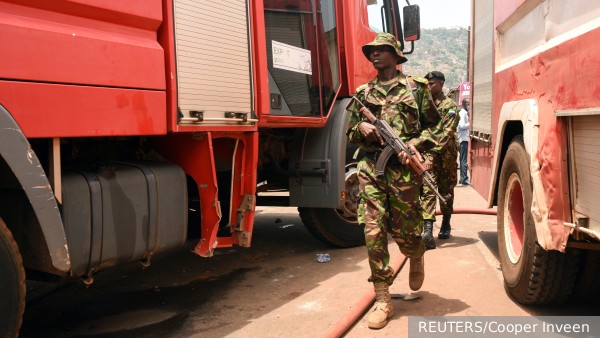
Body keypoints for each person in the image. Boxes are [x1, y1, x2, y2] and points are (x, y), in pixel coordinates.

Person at [346, 33, 441, 329]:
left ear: (396, 56)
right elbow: (350, 133)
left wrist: (416, 147)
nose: (375, 55)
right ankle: (383, 299)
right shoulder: (363, 92)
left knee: (407, 232)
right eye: (372, 51)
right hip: (371, 168)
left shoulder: (416, 89)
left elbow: (436, 129)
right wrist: (361, 127)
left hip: (404, 173)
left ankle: (415, 254)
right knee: (373, 230)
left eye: (382, 50)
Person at [420, 71, 459, 246]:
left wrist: (433, 153)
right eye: (427, 83)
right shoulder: (425, 106)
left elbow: (447, 133)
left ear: (441, 84)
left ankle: (446, 222)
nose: (429, 86)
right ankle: (427, 230)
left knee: (446, 191)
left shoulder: (450, 106)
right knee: (428, 189)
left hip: (446, 157)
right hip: (428, 156)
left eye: (432, 83)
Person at [458, 98, 470, 187]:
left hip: (463, 139)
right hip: (463, 139)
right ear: (464, 104)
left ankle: (462, 178)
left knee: (462, 159)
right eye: (468, 104)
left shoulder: (464, 112)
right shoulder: (463, 113)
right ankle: (464, 179)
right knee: (463, 160)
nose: (469, 106)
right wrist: (470, 123)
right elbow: (461, 126)